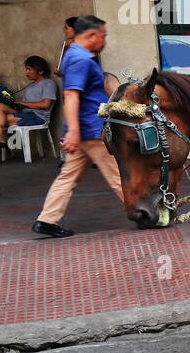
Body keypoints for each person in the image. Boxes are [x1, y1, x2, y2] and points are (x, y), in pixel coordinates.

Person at [32, 16, 124, 238]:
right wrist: (73, 131)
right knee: (119, 174)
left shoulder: (75, 56)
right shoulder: (80, 59)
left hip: (84, 130)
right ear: (91, 35)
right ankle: (147, 213)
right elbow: (71, 95)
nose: (104, 41)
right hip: (90, 130)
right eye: (103, 36)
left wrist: (73, 131)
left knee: (68, 176)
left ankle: (47, 219)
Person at [0, 56, 57, 164]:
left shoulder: (48, 84)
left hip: (37, 117)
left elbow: (45, 104)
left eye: (29, 69)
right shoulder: (29, 87)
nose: (26, 72)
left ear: (40, 71)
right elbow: (23, 107)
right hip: (24, 113)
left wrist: (21, 103)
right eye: (26, 69)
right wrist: (12, 104)